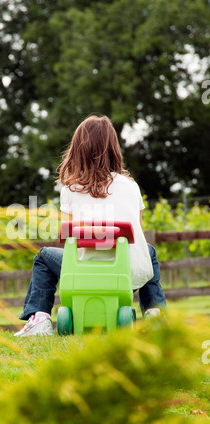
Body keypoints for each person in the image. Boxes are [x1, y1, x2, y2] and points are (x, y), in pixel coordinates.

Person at [14, 115, 166, 337]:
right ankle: (155, 314)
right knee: (148, 251)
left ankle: (40, 318)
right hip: (125, 272)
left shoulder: (70, 189)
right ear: (114, 149)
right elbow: (135, 235)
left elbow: (68, 240)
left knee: (44, 256)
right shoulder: (131, 187)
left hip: (84, 271)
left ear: (77, 150)